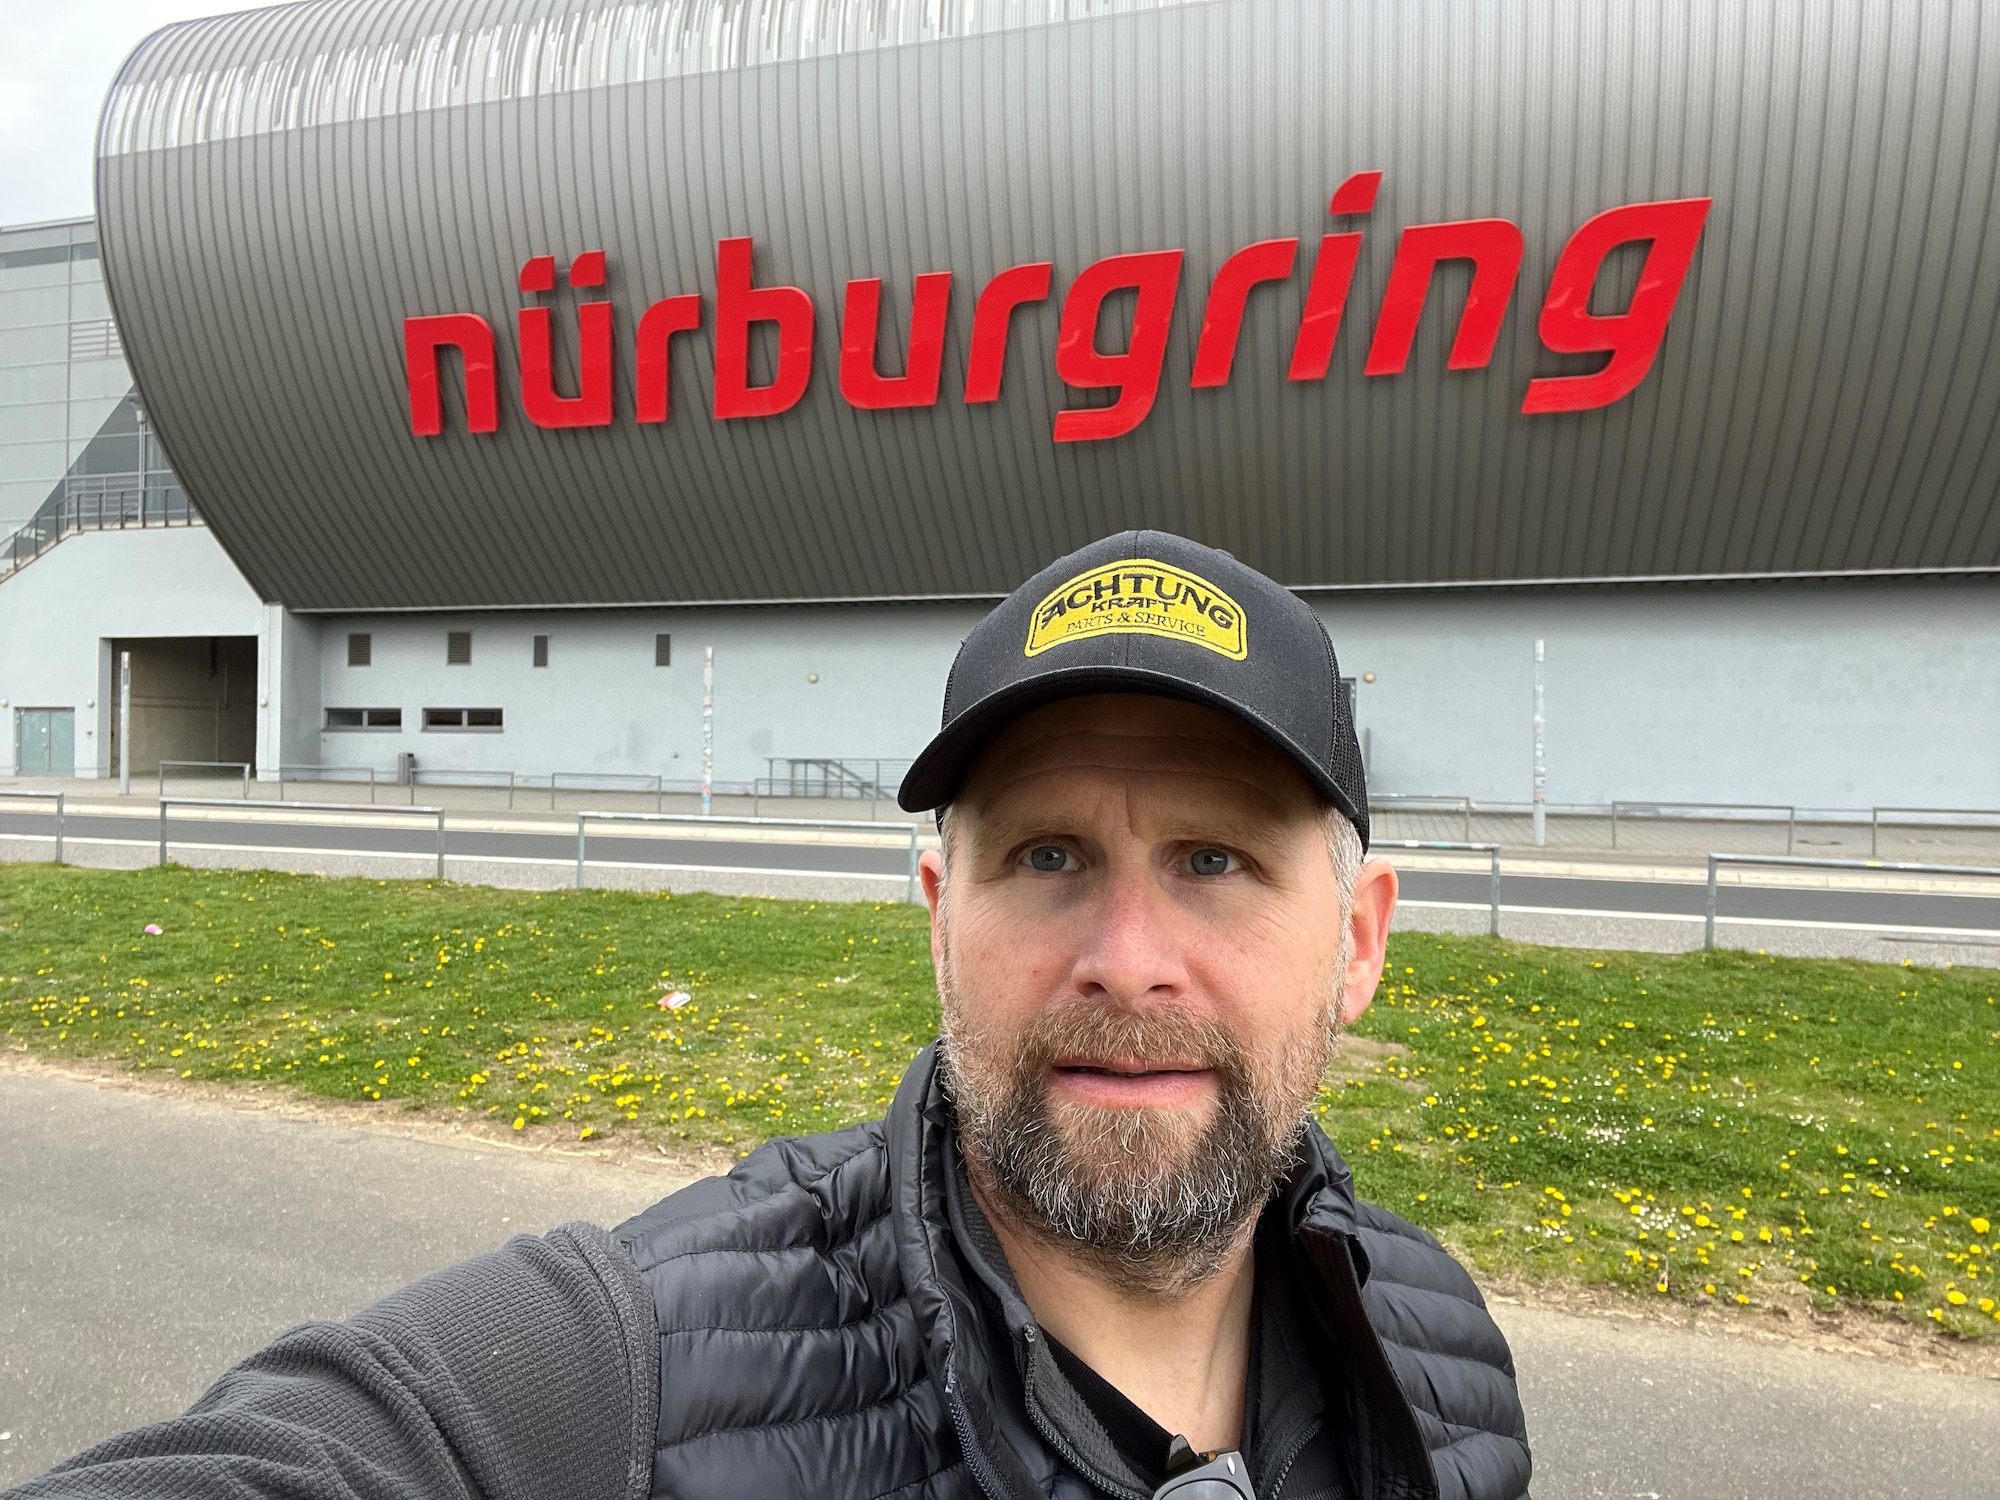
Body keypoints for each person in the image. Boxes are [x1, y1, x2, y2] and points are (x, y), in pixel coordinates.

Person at [8, 532, 1530, 1500]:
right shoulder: (636, 1375)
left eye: (1214, 861)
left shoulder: (1442, 1358)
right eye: (1048, 857)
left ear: (1358, 941)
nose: (1127, 959)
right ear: (943, 916)